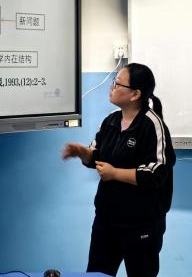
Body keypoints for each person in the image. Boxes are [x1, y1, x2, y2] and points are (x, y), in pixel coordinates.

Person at [62, 63, 176, 277]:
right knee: (97, 273)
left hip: (141, 223)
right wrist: (82, 152)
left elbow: (157, 173)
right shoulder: (111, 121)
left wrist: (115, 173)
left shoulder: (153, 125)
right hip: (107, 219)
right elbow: (96, 156)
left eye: (117, 83)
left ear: (135, 94)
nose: (111, 87)